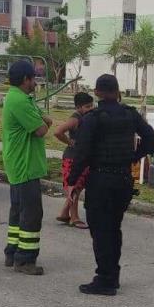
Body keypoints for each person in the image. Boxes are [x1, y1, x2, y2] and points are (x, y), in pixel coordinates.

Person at [68, 74, 154, 296]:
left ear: (97, 92)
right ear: (117, 91)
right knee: (113, 229)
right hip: (123, 180)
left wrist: (72, 182)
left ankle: (105, 279)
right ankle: (112, 275)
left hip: (101, 180)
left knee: (100, 231)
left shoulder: (93, 118)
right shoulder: (129, 114)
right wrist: (134, 156)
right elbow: (151, 138)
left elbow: (82, 153)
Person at [1, 60, 54, 275]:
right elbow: (42, 129)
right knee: (31, 213)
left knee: (18, 212)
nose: (35, 82)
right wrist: (45, 122)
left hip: (19, 164)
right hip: (25, 165)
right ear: (26, 80)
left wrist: (44, 120)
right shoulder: (20, 101)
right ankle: (25, 260)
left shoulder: (19, 97)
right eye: (33, 78)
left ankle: (12, 252)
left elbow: (43, 119)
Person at [54, 92, 95, 228]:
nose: (91, 108)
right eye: (87, 106)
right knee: (75, 187)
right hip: (72, 158)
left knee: (78, 187)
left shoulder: (87, 118)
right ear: (78, 107)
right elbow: (58, 131)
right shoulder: (75, 119)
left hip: (82, 158)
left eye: (92, 105)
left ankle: (65, 212)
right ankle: (74, 217)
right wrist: (70, 142)